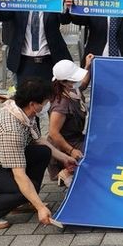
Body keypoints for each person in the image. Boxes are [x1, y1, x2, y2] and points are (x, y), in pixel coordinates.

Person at [0, 78, 77, 229]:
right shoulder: (11, 130)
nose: (47, 105)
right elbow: (19, 175)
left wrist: (64, 157)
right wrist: (40, 208)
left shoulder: (22, 112)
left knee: (43, 152)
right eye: (46, 102)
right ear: (33, 104)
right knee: (23, 189)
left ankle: (23, 201)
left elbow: (38, 140)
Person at [47, 57, 92, 186]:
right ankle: (66, 172)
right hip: (66, 143)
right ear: (63, 82)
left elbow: (83, 84)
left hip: (77, 137)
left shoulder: (72, 90)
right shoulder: (61, 105)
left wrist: (88, 66)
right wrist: (71, 151)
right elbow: (53, 133)